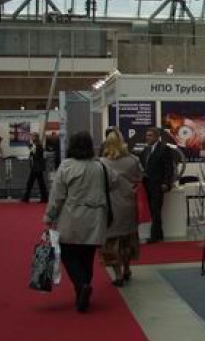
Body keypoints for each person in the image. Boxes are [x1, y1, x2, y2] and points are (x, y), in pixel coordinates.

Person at [45, 132, 116, 312]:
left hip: (72, 216)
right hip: (95, 217)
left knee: (68, 254)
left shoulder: (67, 166)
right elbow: (114, 182)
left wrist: (49, 215)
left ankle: (81, 285)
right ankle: (82, 294)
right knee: (87, 257)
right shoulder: (100, 166)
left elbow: (57, 195)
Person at [100, 129, 143, 286]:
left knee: (111, 241)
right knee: (128, 239)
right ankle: (127, 268)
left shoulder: (102, 162)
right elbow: (140, 177)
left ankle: (117, 274)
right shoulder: (133, 160)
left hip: (110, 206)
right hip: (129, 204)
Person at [138, 127, 173, 243]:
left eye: (150, 135)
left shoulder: (164, 149)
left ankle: (154, 236)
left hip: (158, 185)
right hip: (147, 184)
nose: (147, 138)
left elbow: (169, 168)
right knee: (152, 210)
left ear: (157, 137)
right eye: (147, 135)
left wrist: (166, 182)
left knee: (156, 209)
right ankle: (159, 234)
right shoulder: (146, 150)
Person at [21, 132, 48, 203]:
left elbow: (37, 156)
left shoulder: (38, 146)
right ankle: (44, 198)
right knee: (40, 183)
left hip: (36, 167)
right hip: (37, 167)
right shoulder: (37, 145)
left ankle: (26, 198)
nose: (31, 137)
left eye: (32, 136)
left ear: (36, 137)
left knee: (31, 183)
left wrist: (32, 151)